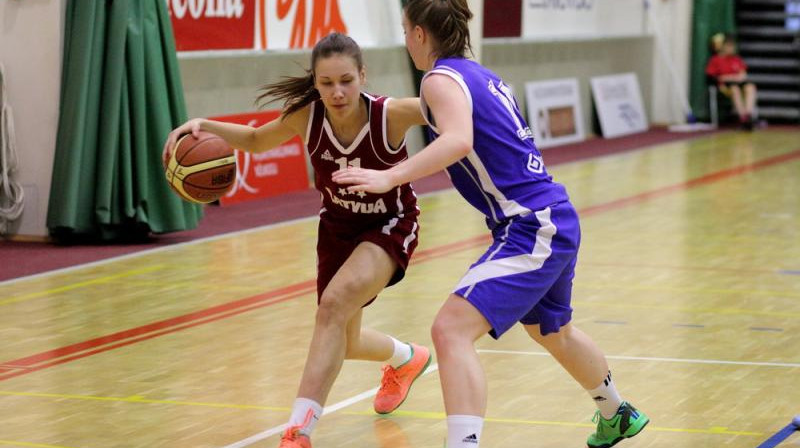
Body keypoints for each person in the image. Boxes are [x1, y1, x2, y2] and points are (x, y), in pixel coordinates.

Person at [332, 1, 650, 447]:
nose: (406, 42)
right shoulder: (478, 75)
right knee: (552, 331)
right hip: (552, 217)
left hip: (530, 224)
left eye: (406, 32)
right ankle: (616, 412)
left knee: (449, 330)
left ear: (421, 34)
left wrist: (390, 175)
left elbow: (459, 140)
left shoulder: (439, 79)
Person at [163, 33, 432, 448]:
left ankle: (299, 430)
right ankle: (407, 358)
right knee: (345, 338)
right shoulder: (307, 117)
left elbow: (456, 111)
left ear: (363, 75)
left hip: (389, 223)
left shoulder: (391, 114)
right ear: (315, 82)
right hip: (338, 229)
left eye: (346, 80)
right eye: (326, 83)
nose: (337, 92)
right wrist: (200, 124)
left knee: (332, 306)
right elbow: (254, 141)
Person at [706, 34, 758, 129]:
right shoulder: (715, 60)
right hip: (725, 87)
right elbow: (714, 77)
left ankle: (748, 115)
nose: (732, 48)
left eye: (733, 46)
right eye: (729, 46)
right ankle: (742, 118)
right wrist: (731, 77)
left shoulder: (736, 59)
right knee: (734, 89)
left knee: (750, 87)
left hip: (739, 83)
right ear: (723, 47)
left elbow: (743, 75)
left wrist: (732, 77)